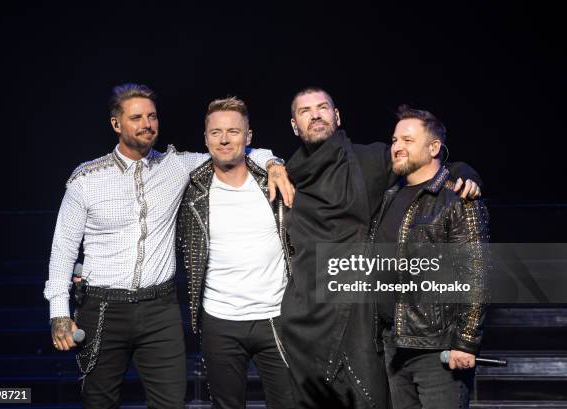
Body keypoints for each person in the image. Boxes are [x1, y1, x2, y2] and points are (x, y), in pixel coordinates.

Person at [43, 83, 293, 409]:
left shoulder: (175, 166)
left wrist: (273, 162)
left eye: (152, 116)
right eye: (136, 117)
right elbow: (63, 249)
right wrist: (58, 312)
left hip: (160, 309)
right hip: (103, 307)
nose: (147, 124)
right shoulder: (87, 179)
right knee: (99, 402)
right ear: (116, 124)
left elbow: (232, 150)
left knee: (171, 403)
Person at [280, 87, 482, 409]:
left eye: (323, 107)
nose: (315, 114)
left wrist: (464, 174)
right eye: (305, 110)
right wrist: (273, 165)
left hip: (361, 315)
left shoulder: (368, 160)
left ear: (337, 116)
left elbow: (424, 163)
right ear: (294, 124)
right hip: (306, 315)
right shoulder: (285, 176)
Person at [177, 96, 295, 409]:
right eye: (216, 132)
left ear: (249, 137)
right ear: (206, 139)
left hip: (276, 316)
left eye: (233, 131)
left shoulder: (272, 181)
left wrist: (273, 163)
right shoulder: (192, 188)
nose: (225, 139)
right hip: (220, 319)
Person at [370, 105, 489, 409]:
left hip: (438, 351)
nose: (397, 147)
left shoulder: (457, 198)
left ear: (434, 147)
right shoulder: (388, 197)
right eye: (395, 140)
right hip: (394, 346)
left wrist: (465, 341)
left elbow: (476, 274)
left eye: (408, 141)